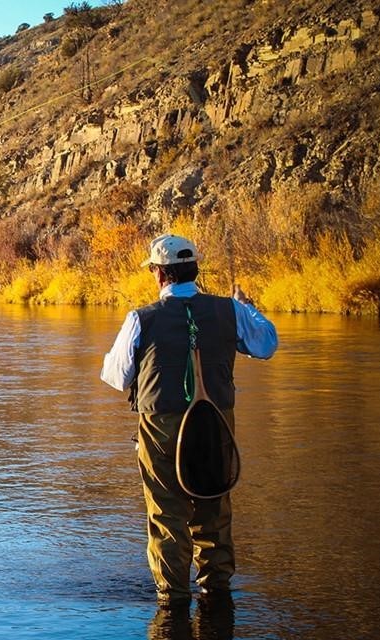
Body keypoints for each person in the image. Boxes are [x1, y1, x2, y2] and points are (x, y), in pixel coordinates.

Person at [101, 234, 278, 605]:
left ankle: (174, 599)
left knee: (167, 514)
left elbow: (116, 377)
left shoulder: (140, 319)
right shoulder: (231, 310)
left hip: (161, 426)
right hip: (216, 423)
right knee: (213, 508)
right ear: (194, 269)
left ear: (160, 274)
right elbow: (266, 346)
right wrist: (248, 306)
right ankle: (217, 593)